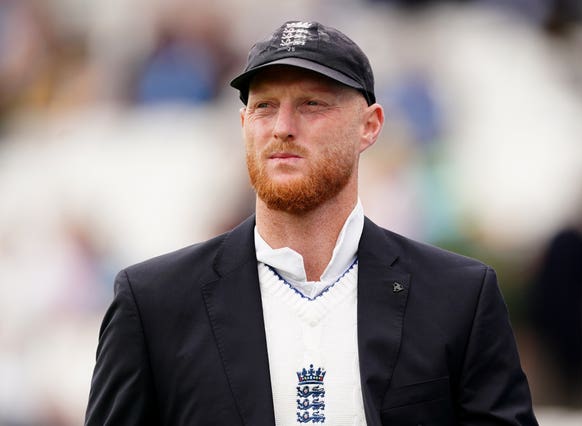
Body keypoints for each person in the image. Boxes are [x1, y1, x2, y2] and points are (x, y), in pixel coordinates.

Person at [85, 20, 538, 425]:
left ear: (370, 125)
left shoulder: (458, 296)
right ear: (243, 123)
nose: (282, 126)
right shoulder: (154, 304)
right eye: (264, 106)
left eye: (311, 104)